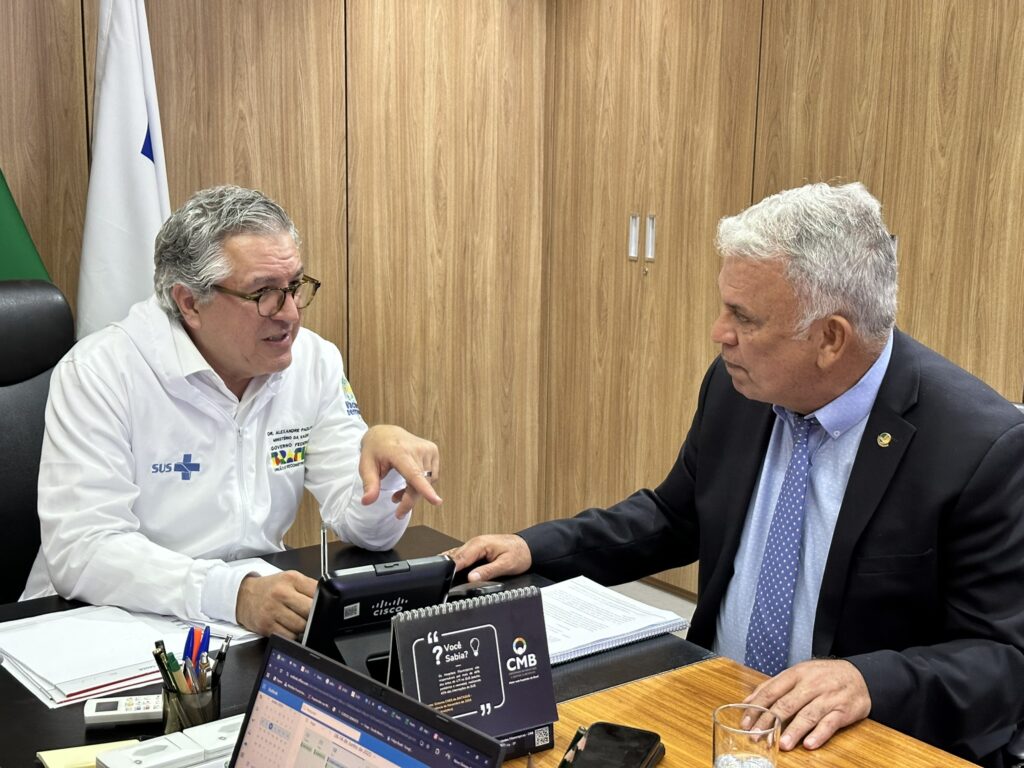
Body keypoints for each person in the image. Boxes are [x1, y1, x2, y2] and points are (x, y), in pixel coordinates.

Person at [451, 182, 1024, 765]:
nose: (719, 333)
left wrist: (868, 681)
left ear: (831, 338)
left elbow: (1003, 660)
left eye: (743, 317)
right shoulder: (740, 386)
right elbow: (676, 516)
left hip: (859, 743)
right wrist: (534, 547)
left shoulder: (979, 447)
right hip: (716, 707)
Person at [23, 185, 442, 640]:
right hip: (98, 626)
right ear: (189, 302)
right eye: (263, 293)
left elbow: (368, 532)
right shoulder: (101, 371)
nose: (290, 314)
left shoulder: (314, 361)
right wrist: (233, 594)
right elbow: (83, 551)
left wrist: (383, 476)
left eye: (294, 286)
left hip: (247, 621)